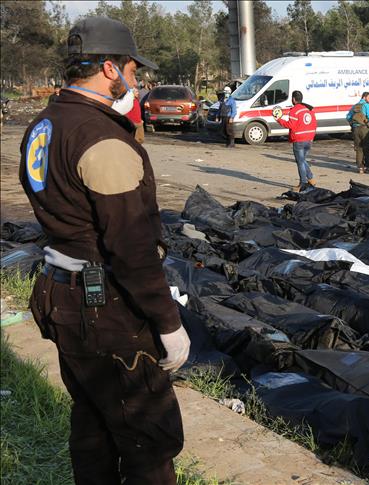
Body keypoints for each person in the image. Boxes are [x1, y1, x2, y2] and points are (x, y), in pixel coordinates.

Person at [19, 16, 187, 485]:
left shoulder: (44, 125)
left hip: (61, 294)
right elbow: (131, 248)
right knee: (148, 438)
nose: (136, 80)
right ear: (110, 68)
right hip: (105, 309)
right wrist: (168, 323)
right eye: (132, 69)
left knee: (93, 426)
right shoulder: (100, 139)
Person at [274, 90, 318, 191]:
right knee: (302, 160)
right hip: (309, 139)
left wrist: (279, 119)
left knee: (300, 162)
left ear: (293, 99)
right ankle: (311, 179)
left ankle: (303, 183)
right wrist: (311, 137)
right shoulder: (309, 109)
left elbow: (290, 125)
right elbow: (314, 124)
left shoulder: (295, 110)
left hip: (299, 139)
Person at [346, 91, 369, 173]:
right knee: (367, 148)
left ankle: (360, 168)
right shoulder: (367, 105)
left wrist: (353, 125)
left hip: (356, 130)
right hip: (365, 129)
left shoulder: (355, 106)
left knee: (359, 149)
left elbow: (348, 117)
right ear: (364, 97)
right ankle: (368, 168)